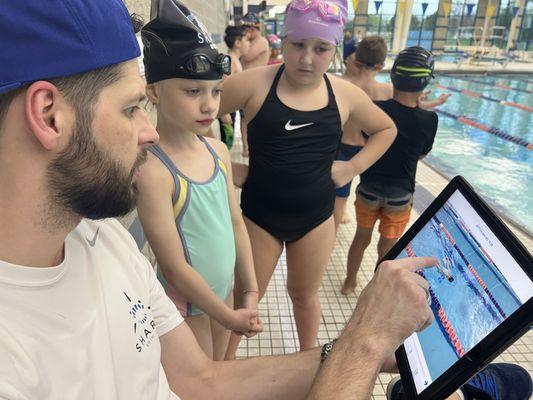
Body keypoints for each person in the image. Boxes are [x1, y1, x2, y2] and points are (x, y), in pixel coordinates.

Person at [1, 1, 530, 399]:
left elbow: (202, 381)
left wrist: (356, 347)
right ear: (49, 115)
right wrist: (362, 348)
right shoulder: (14, 353)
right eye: (134, 107)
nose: (151, 131)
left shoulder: (100, 239)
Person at [220, 0, 399, 358]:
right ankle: (221, 367)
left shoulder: (344, 94)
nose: (306, 58)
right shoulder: (253, 83)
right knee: (245, 297)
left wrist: (350, 168)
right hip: (260, 217)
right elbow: (194, 117)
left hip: (316, 219)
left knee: (304, 296)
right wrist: (222, 165)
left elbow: (385, 129)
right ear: (283, 42)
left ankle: (309, 363)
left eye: (320, 49)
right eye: (298, 45)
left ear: (334, 50)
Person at [134, 4, 262, 360]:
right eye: (193, 92)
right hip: (186, 304)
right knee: (204, 383)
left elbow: (236, 224)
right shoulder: (153, 170)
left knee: (222, 366)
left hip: (224, 295)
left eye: (215, 92)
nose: (209, 106)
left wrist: (248, 292)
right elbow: (173, 267)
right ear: (154, 92)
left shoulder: (218, 150)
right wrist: (228, 316)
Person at [340, 46, 440, 295]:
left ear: (393, 76)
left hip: (368, 189)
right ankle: (376, 290)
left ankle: (349, 282)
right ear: (425, 82)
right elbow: (422, 153)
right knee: (388, 246)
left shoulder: (376, 109)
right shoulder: (429, 119)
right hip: (400, 195)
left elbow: (366, 137)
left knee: (361, 238)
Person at [334, 36, 451, 230]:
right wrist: (434, 104)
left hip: (343, 148)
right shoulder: (385, 90)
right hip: (371, 151)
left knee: (339, 198)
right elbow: (409, 108)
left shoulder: (342, 85)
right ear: (381, 66)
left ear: (355, 60)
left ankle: (334, 228)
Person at [239, 12, 270, 157]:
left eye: (245, 30)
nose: (243, 33)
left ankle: (255, 147)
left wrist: (242, 40)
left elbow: (247, 55)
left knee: (256, 118)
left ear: (251, 29)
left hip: (258, 86)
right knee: (245, 120)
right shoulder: (251, 42)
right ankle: (246, 148)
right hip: (246, 86)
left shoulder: (261, 41)